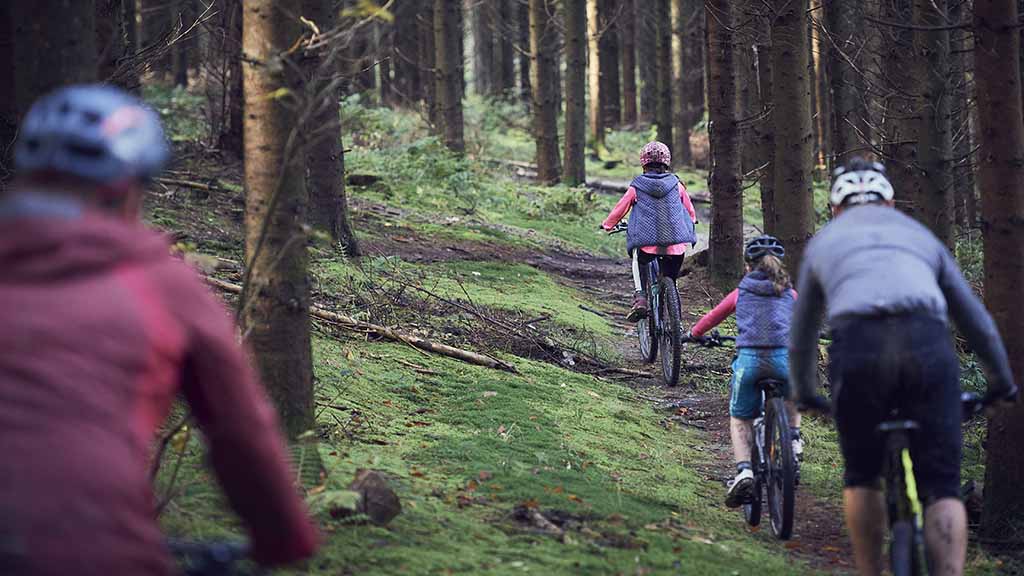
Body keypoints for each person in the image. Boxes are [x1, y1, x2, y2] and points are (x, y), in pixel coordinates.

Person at [0, 85, 318, 575]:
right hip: (91, 550)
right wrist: (283, 540)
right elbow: (241, 432)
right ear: (127, 187)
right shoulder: (159, 284)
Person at [789, 157, 1019, 576]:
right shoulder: (919, 236)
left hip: (859, 347)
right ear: (890, 202)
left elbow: (802, 330)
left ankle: (869, 569)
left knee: (862, 474)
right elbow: (975, 321)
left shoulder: (824, 242)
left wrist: (805, 392)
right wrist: (1001, 382)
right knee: (943, 485)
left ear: (836, 208)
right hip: (926, 343)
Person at [686, 236, 801, 507]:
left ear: (748, 267)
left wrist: (694, 334)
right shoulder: (790, 293)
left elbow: (713, 317)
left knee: (739, 417)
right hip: (784, 360)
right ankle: (794, 441)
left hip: (750, 361)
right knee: (793, 396)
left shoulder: (741, 291)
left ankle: (744, 471)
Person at [602, 141, 698, 321]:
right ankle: (676, 318)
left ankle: (640, 298)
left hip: (647, 245)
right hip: (676, 245)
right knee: (672, 280)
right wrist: (693, 220)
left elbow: (621, 208)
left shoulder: (637, 186)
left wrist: (608, 224)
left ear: (643, 163)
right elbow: (689, 209)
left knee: (638, 257)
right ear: (666, 162)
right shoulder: (677, 184)